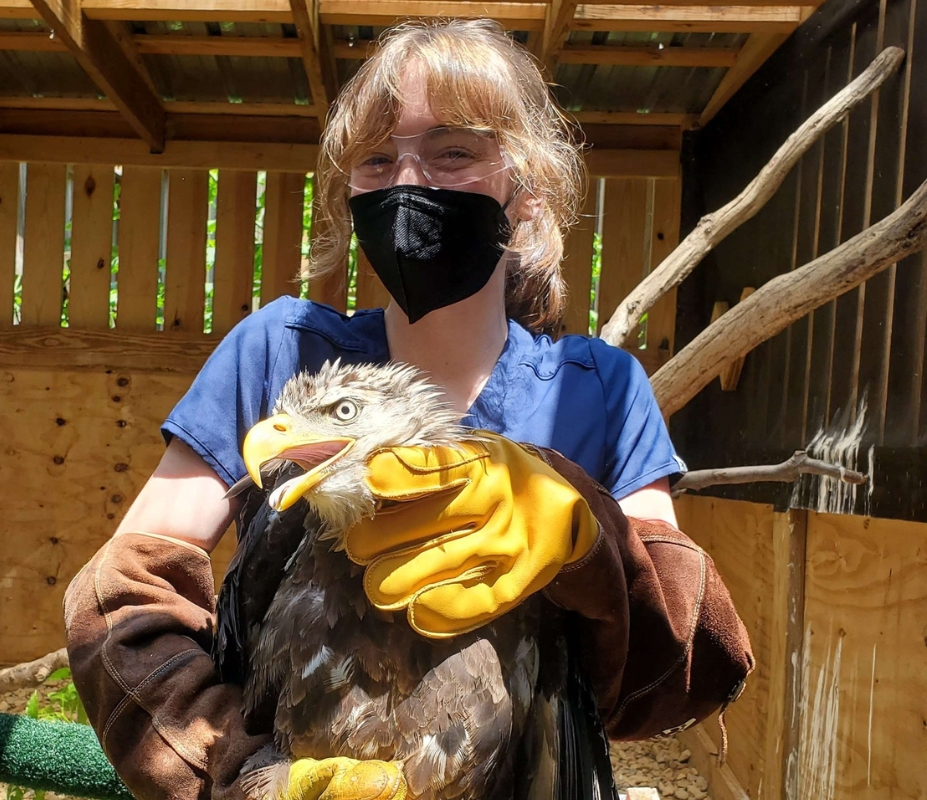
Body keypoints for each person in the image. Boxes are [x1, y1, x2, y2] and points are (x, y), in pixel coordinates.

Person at [63, 18, 753, 800]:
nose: (407, 183)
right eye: (376, 159)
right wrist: (244, 778)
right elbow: (120, 605)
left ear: (524, 181)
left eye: (453, 151)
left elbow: (679, 666)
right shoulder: (282, 355)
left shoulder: (599, 388)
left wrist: (591, 543)